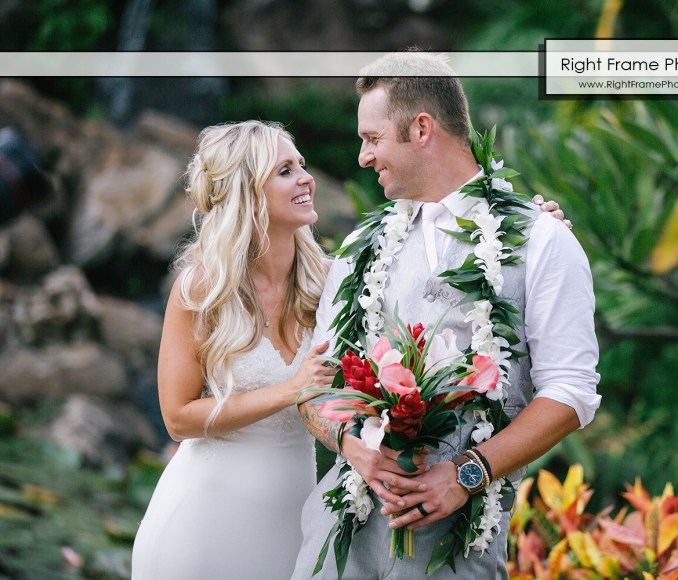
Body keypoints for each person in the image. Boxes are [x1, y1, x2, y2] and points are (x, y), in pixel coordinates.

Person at [292, 52, 601, 579]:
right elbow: (314, 386)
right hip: (338, 547)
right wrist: (354, 448)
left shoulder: (543, 241)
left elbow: (570, 392)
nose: (363, 157)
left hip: (459, 553)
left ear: (420, 129)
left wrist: (466, 473)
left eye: (373, 138)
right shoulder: (357, 248)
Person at [130, 120, 337, 579]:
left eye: (301, 165)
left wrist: (531, 223)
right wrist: (290, 391)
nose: (306, 178)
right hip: (202, 528)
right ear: (249, 190)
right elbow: (178, 418)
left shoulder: (330, 280)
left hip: (292, 528)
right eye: (285, 170)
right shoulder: (201, 289)